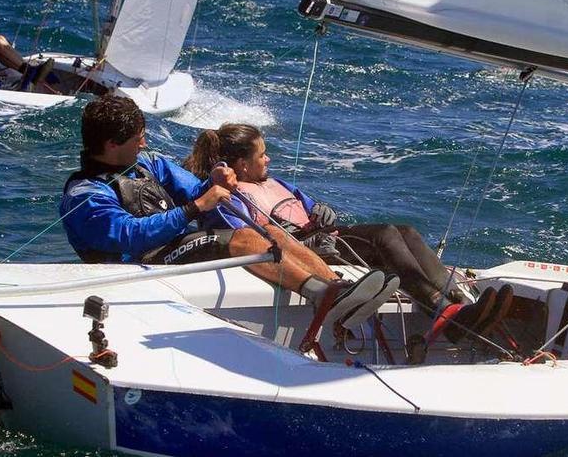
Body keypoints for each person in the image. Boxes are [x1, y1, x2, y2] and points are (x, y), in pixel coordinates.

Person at [59, 95, 396, 327]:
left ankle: (336, 288)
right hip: (144, 263)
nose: (144, 144)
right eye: (138, 139)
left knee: (272, 233)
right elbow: (129, 236)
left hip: (176, 246)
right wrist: (193, 209)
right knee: (248, 239)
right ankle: (322, 295)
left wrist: (215, 180)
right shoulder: (85, 195)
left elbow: (194, 190)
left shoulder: (148, 163)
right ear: (111, 145)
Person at [183, 123, 514, 345]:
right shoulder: (230, 195)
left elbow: (307, 205)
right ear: (241, 165)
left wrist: (320, 208)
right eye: (261, 155)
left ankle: (457, 301)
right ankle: (446, 316)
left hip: (326, 233)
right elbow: (252, 233)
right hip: (313, 247)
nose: (268, 158)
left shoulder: (275, 182)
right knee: (384, 234)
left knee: (407, 231)